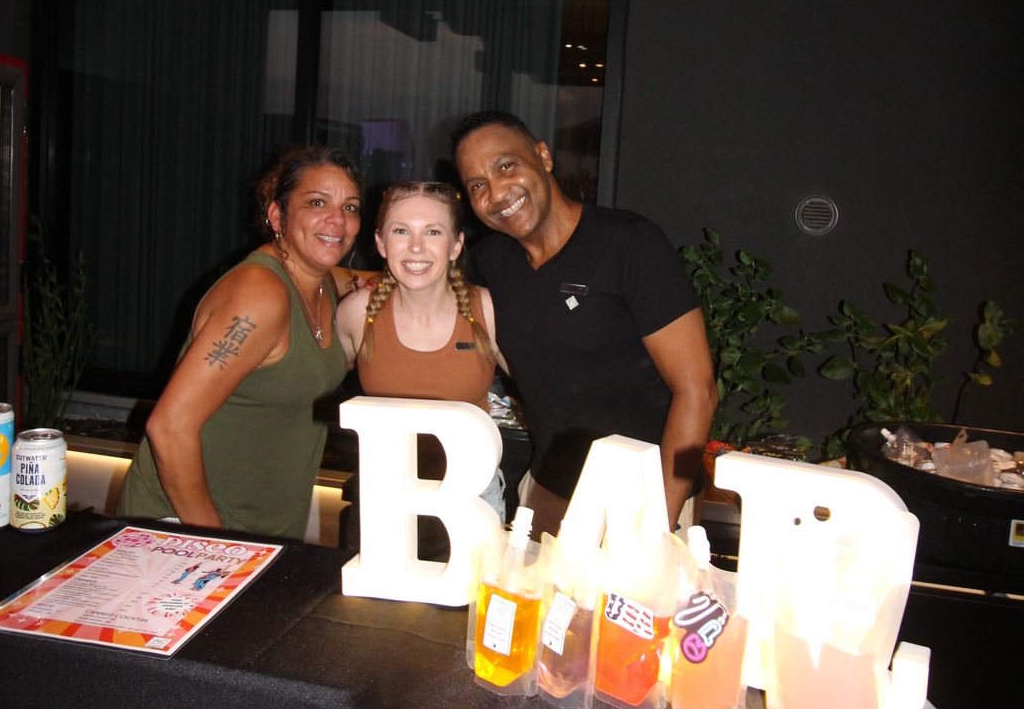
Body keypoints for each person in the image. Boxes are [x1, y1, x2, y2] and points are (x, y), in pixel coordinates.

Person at [451, 111, 718, 536]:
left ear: (543, 156)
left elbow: (697, 390)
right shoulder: (491, 261)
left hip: (643, 503)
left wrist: (657, 526)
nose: (497, 193)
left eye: (506, 166)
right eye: (477, 185)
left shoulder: (629, 243)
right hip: (546, 495)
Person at [118, 145, 362, 541]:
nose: (338, 219)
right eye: (317, 202)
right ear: (278, 216)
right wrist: (216, 544)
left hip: (260, 534)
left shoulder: (325, 285)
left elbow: (397, 283)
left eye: (350, 207)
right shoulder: (259, 293)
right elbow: (169, 427)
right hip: (187, 531)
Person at [336, 180, 507, 521]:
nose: (416, 247)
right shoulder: (357, 312)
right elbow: (314, 383)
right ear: (381, 243)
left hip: (471, 500)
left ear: (456, 245)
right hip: (384, 499)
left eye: (433, 232)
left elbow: (542, 388)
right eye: (401, 231)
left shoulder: (486, 309)